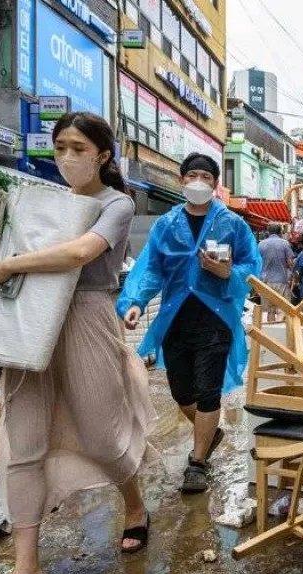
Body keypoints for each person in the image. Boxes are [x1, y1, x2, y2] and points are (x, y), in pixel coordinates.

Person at [0, 112, 155, 574]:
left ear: (103, 155)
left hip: (86, 320)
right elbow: (4, 252)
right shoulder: (38, 202)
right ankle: (26, 571)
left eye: (78, 148)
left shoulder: (117, 203)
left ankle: (134, 503)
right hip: (26, 319)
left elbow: (79, 253)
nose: (67, 157)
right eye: (60, 147)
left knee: (101, 434)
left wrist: (10, 266)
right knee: (23, 439)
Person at [118, 153, 261, 494]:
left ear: (215, 184)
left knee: (208, 390)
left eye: (206, 177)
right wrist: (134, 301)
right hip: (176, 319)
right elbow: (151, 268)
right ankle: (210, 433)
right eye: (192, 175)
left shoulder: (233, 224)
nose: (199, 181)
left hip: (216, 318)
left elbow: (251, 266)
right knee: (182, 392)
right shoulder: (166, 225)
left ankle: (197, 462)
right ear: (182, 181)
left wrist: (228, 272)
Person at [258, 223, 294, 321]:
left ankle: (269, 333)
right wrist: (293, 274)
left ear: (268, 232)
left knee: (269, 311)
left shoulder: (261, 244)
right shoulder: (285, 243)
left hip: (265, 282)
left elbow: (257, 263)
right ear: (280, 232)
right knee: (283, 310)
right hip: (281, 282)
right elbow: (290, 263)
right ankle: (279, 333)